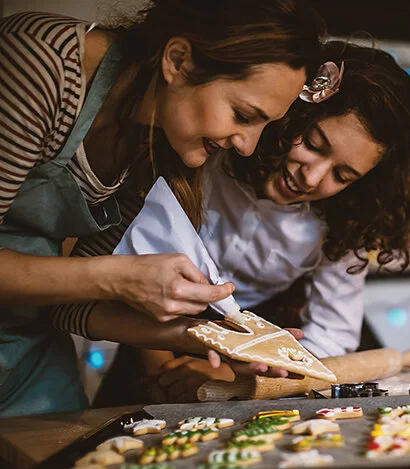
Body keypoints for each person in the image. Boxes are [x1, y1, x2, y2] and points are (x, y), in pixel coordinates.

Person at [0, 1, 324, 417]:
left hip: (27, 354)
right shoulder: (42, 64)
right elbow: (95, 282)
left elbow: (66, 305)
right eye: (243, 116)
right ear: (179, 61)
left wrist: (205, 336)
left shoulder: (154, 146)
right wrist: (117, 278)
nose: (247, 146)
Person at [53, 41, 410, 404]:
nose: (312, 178)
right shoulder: (204, 151)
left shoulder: (346, 220)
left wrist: (241, 372)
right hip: (148, 330)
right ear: (290, 114)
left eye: (342, 175)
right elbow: (132, 257)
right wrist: (164, 367)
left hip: (263, 356)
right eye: (312, 143)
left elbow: (333, 335)